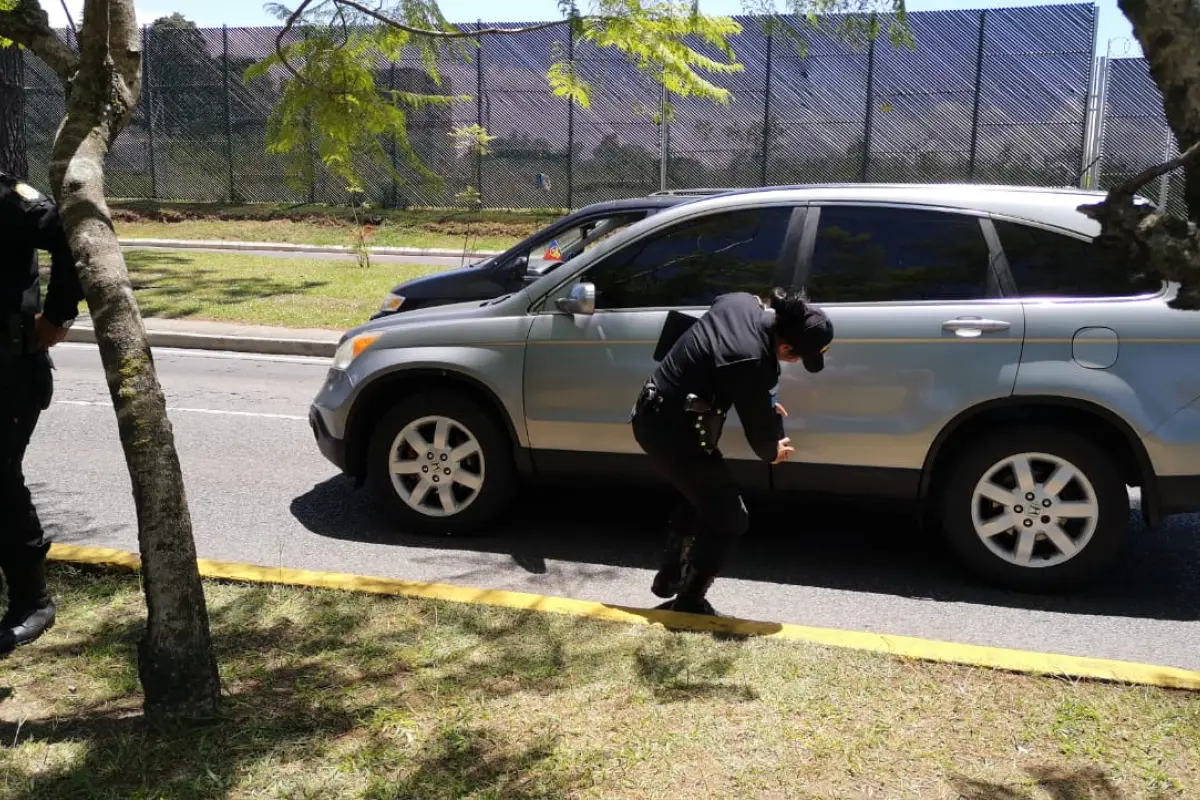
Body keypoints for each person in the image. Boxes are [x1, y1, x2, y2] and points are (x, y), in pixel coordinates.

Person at [629, 286, 833, 616]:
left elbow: (718, 347)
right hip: (670, 431)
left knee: (702, 495)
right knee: (730, 518)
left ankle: (670, 577)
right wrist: (774, 452)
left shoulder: (741, 301)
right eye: (797, 357)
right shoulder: (755, 362)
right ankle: (689, 602)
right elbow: (761, 441)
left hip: (655, 411)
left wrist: (755, 396)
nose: (794, 362)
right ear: (784, 346)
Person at [0, 170, 83, 654]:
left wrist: (57, 316)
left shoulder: (9, 197)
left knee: (0, 481)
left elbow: (70, 234)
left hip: (9, 371)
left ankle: (33, 602)